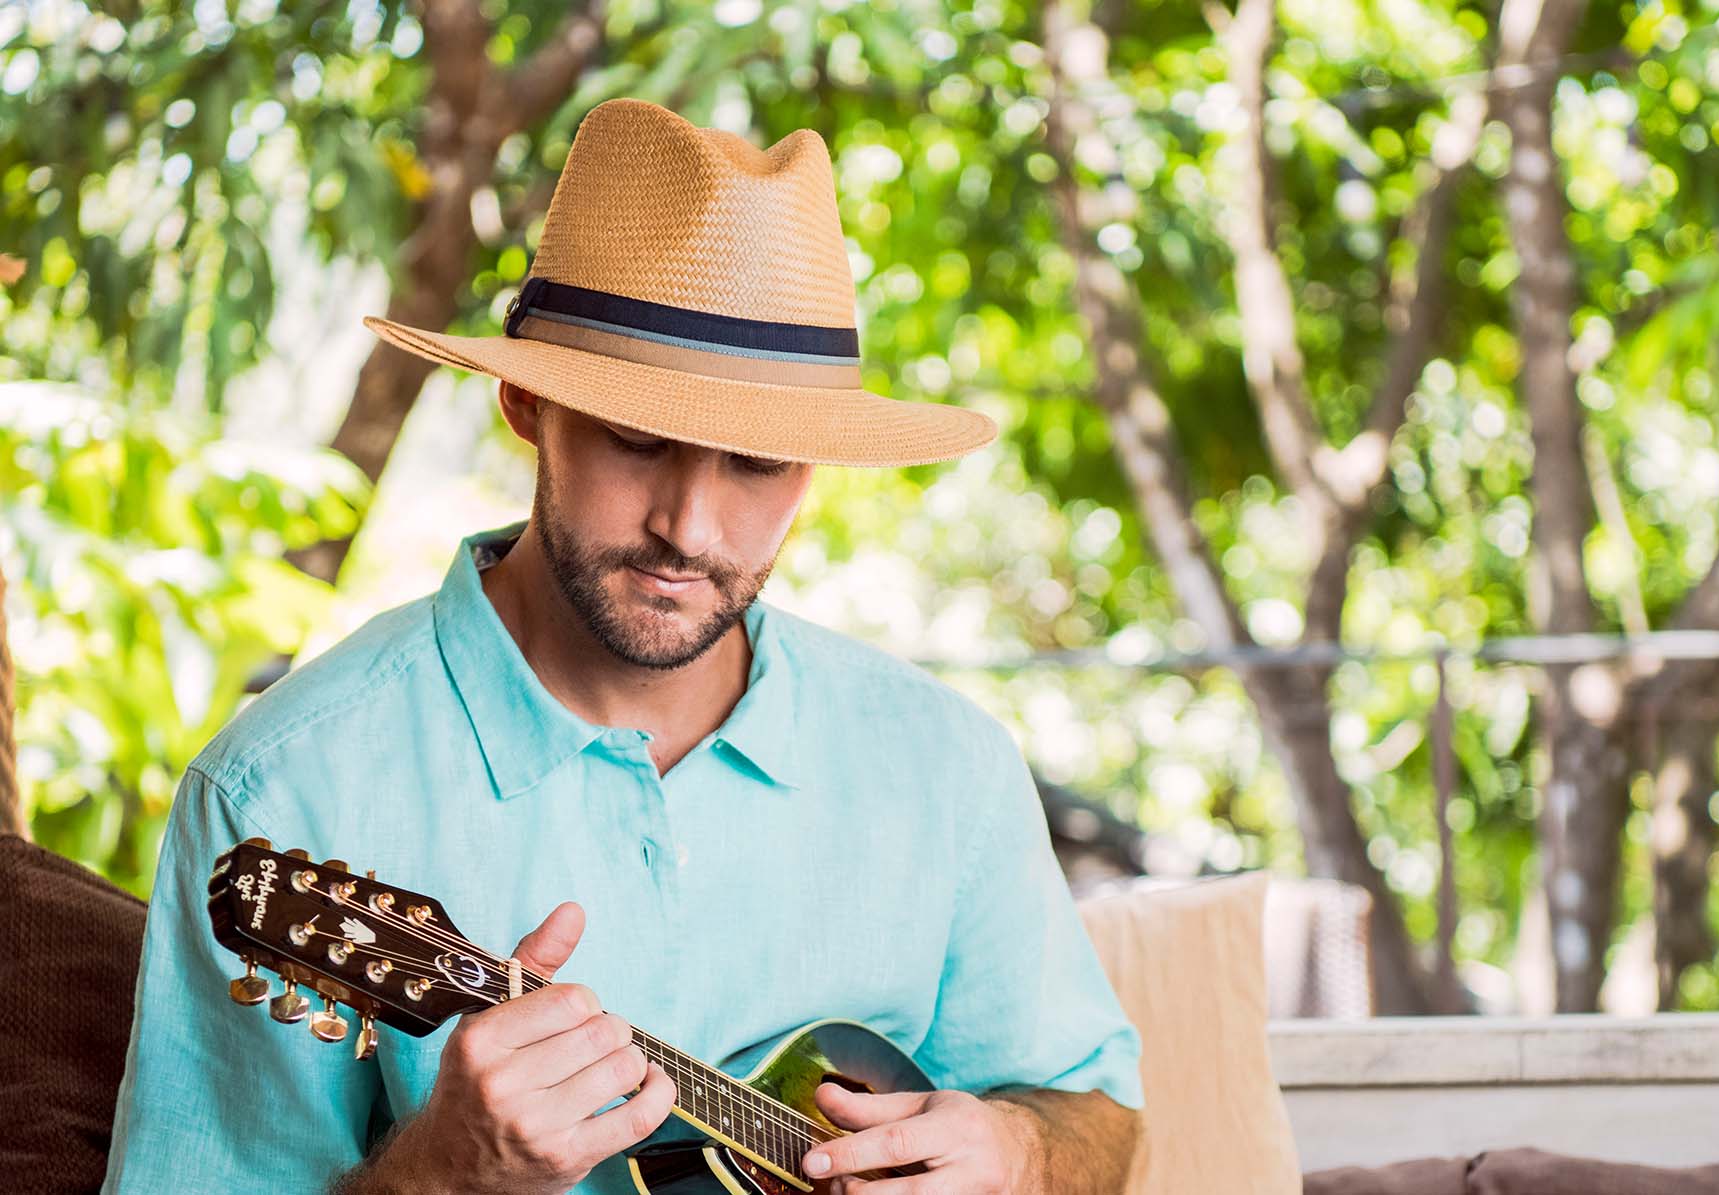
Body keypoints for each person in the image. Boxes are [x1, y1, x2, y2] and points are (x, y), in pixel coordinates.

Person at [101, 98, 1143, 1195]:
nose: (690, 528)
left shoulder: (944, 764)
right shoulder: (285, 789)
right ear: (523, 401)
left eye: (759, 464)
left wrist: (1022, 1151)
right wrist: (439, 1176)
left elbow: (1095, 1114)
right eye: (637, 440)